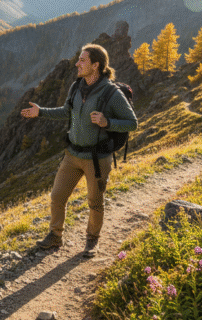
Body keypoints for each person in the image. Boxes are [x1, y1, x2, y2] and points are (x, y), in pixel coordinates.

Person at [20, 44, 137, 257]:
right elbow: (66, 112)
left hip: (97, 159)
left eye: (82, 60)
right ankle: (55, 236)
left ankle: (92, 240)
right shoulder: (76, 87)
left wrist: (107, 122)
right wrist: (40, 112)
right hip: (72, 155)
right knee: (57, 196)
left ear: (95, 65)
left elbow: (132, 123)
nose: (77, 63)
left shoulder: (112, 93)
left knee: (95, 201)